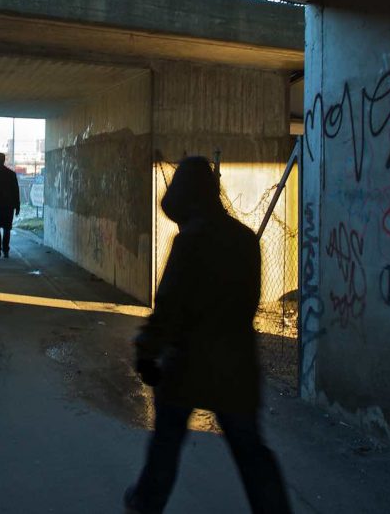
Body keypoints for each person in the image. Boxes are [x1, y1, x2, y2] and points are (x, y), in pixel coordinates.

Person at [124, 157, 292, 514]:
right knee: (251, 452)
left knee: (166, 443)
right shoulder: (246, 240)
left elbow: (169, 307)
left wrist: (146, 351)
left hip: (187, 364)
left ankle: (145, 504)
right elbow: (249, 301)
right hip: (236, 363)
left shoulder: (189, 243)